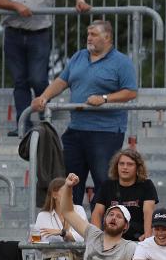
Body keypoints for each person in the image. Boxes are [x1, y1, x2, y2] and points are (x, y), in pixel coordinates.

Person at [31, 20, 137, 206]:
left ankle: (103, 228)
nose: (89, 38)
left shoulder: (121, 62)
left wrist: (104, 98)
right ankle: (71, 228)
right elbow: (62, 81)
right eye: (88, 34)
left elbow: (131, 92)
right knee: (69, 182)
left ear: (107, 37)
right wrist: (44, 97)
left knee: (104, 182)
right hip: (76, 129)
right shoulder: (79, 56)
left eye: (93, 34)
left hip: (106, 132)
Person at [0, 0, 91, 136]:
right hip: (13, 33)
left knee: (37, 79)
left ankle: (46, 114)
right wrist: (16, 6)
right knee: (20, 81)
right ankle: (23, 124)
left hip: (39, 34)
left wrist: (80, 0)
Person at [90, 148, 158, 260]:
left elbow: (148, 211)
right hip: (111, 245)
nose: (125, 168)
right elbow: (97, 213)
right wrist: (97, 237)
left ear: (137, 167)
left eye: (130, 164)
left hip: (135, 247)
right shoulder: (107, 186)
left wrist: (147, 237)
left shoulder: (146, 185)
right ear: (116, 166)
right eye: (121, 164)